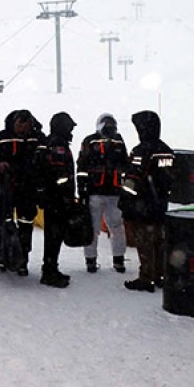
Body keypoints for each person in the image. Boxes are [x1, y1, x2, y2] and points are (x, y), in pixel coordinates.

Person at [0, 109, 46, 276]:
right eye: (19, 125)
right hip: (6, 188)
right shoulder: (2, 136)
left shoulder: (39, 138)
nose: (22, 128)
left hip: (28, 189)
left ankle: (22, 259)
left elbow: (45, 161)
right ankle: (3, 257)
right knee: (4, 223)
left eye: (25, 125)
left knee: (26, 224)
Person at [119, 110, 175, 293]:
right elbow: (172, 178)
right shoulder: (167, 150)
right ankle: (159, 275)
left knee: (145, 241)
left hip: (143, 205)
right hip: (160, 203)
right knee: (159, 240)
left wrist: (125, 199)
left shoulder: (142, 151)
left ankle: (146, 278)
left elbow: (133, 178)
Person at [76, 113, 130, 273]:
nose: (109, 128)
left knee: (116, 227)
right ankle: (91, 260)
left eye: (111, 125)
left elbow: (125, 165)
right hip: (96, 192)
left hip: (113, 191)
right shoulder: (90, 141)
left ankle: (117, 259)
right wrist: (82, 189)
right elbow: (82, 167)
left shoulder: (118, 141)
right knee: (94, 228)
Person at [37, 112, 78, 288]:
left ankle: (51, 268)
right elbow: (59, 174)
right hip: (57, 200)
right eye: (69, 127)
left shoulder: (51, 142)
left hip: (53, 198)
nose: (71, 131)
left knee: (54, 236)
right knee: (54, 236)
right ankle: (49, 271)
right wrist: (66, 195)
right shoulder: (57, 145)